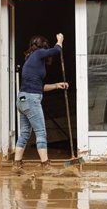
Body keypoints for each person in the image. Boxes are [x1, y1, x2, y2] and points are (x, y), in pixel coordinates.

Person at [12, 33, 69, 175]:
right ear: (43, 46)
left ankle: (17, 165)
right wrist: (60, 41)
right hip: (31, 100)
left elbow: (39, 87)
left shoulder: (30, 59)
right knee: (41, 132)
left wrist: (56, 85)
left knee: (25, 133)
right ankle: (46, 166)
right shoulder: (38, 54)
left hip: (22, 99)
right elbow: (57, 50)